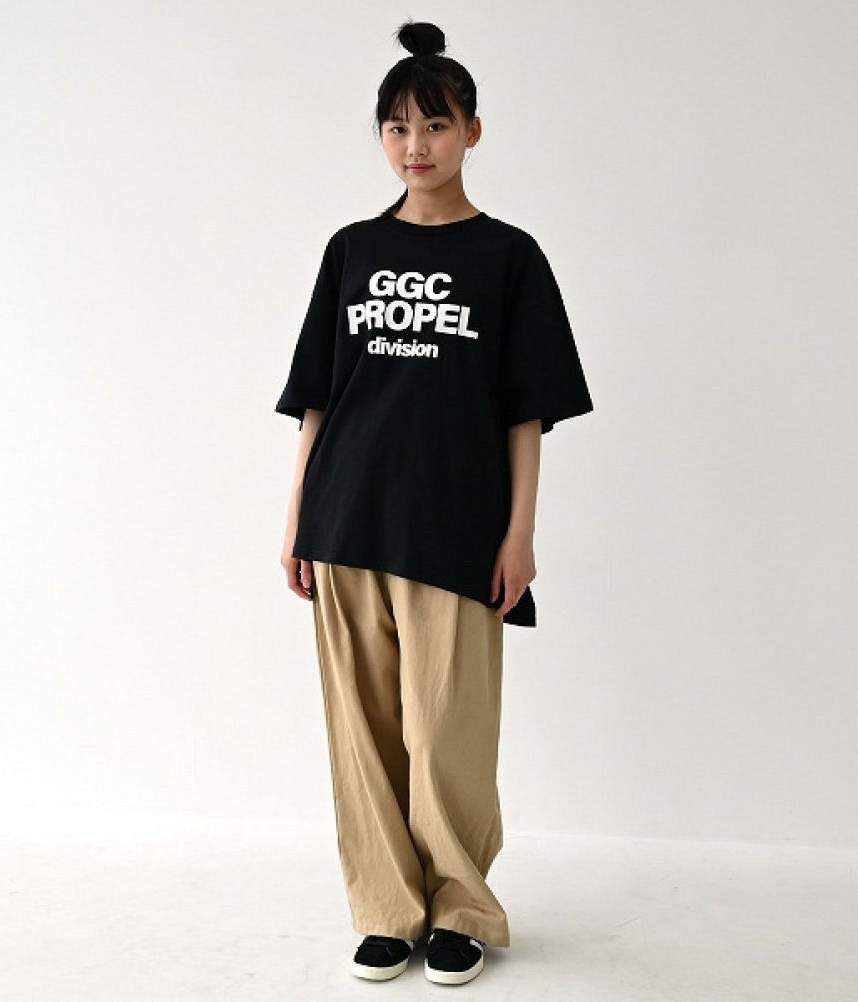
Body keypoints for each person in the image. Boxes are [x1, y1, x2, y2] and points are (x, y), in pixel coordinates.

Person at [276, 19, 594, 986]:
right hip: (346, 520)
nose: (416, 146)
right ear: (381, 137)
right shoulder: (351, 249)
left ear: (472, 132)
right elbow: (319, 399)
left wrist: (520, 534)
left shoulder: (509, 257)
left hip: (455, 531)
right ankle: (385, 908)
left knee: (445, 730)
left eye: (436, 125)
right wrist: (295, 521)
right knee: (363, 734)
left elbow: (526, 413)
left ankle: (460, 907)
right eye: (398, 128)